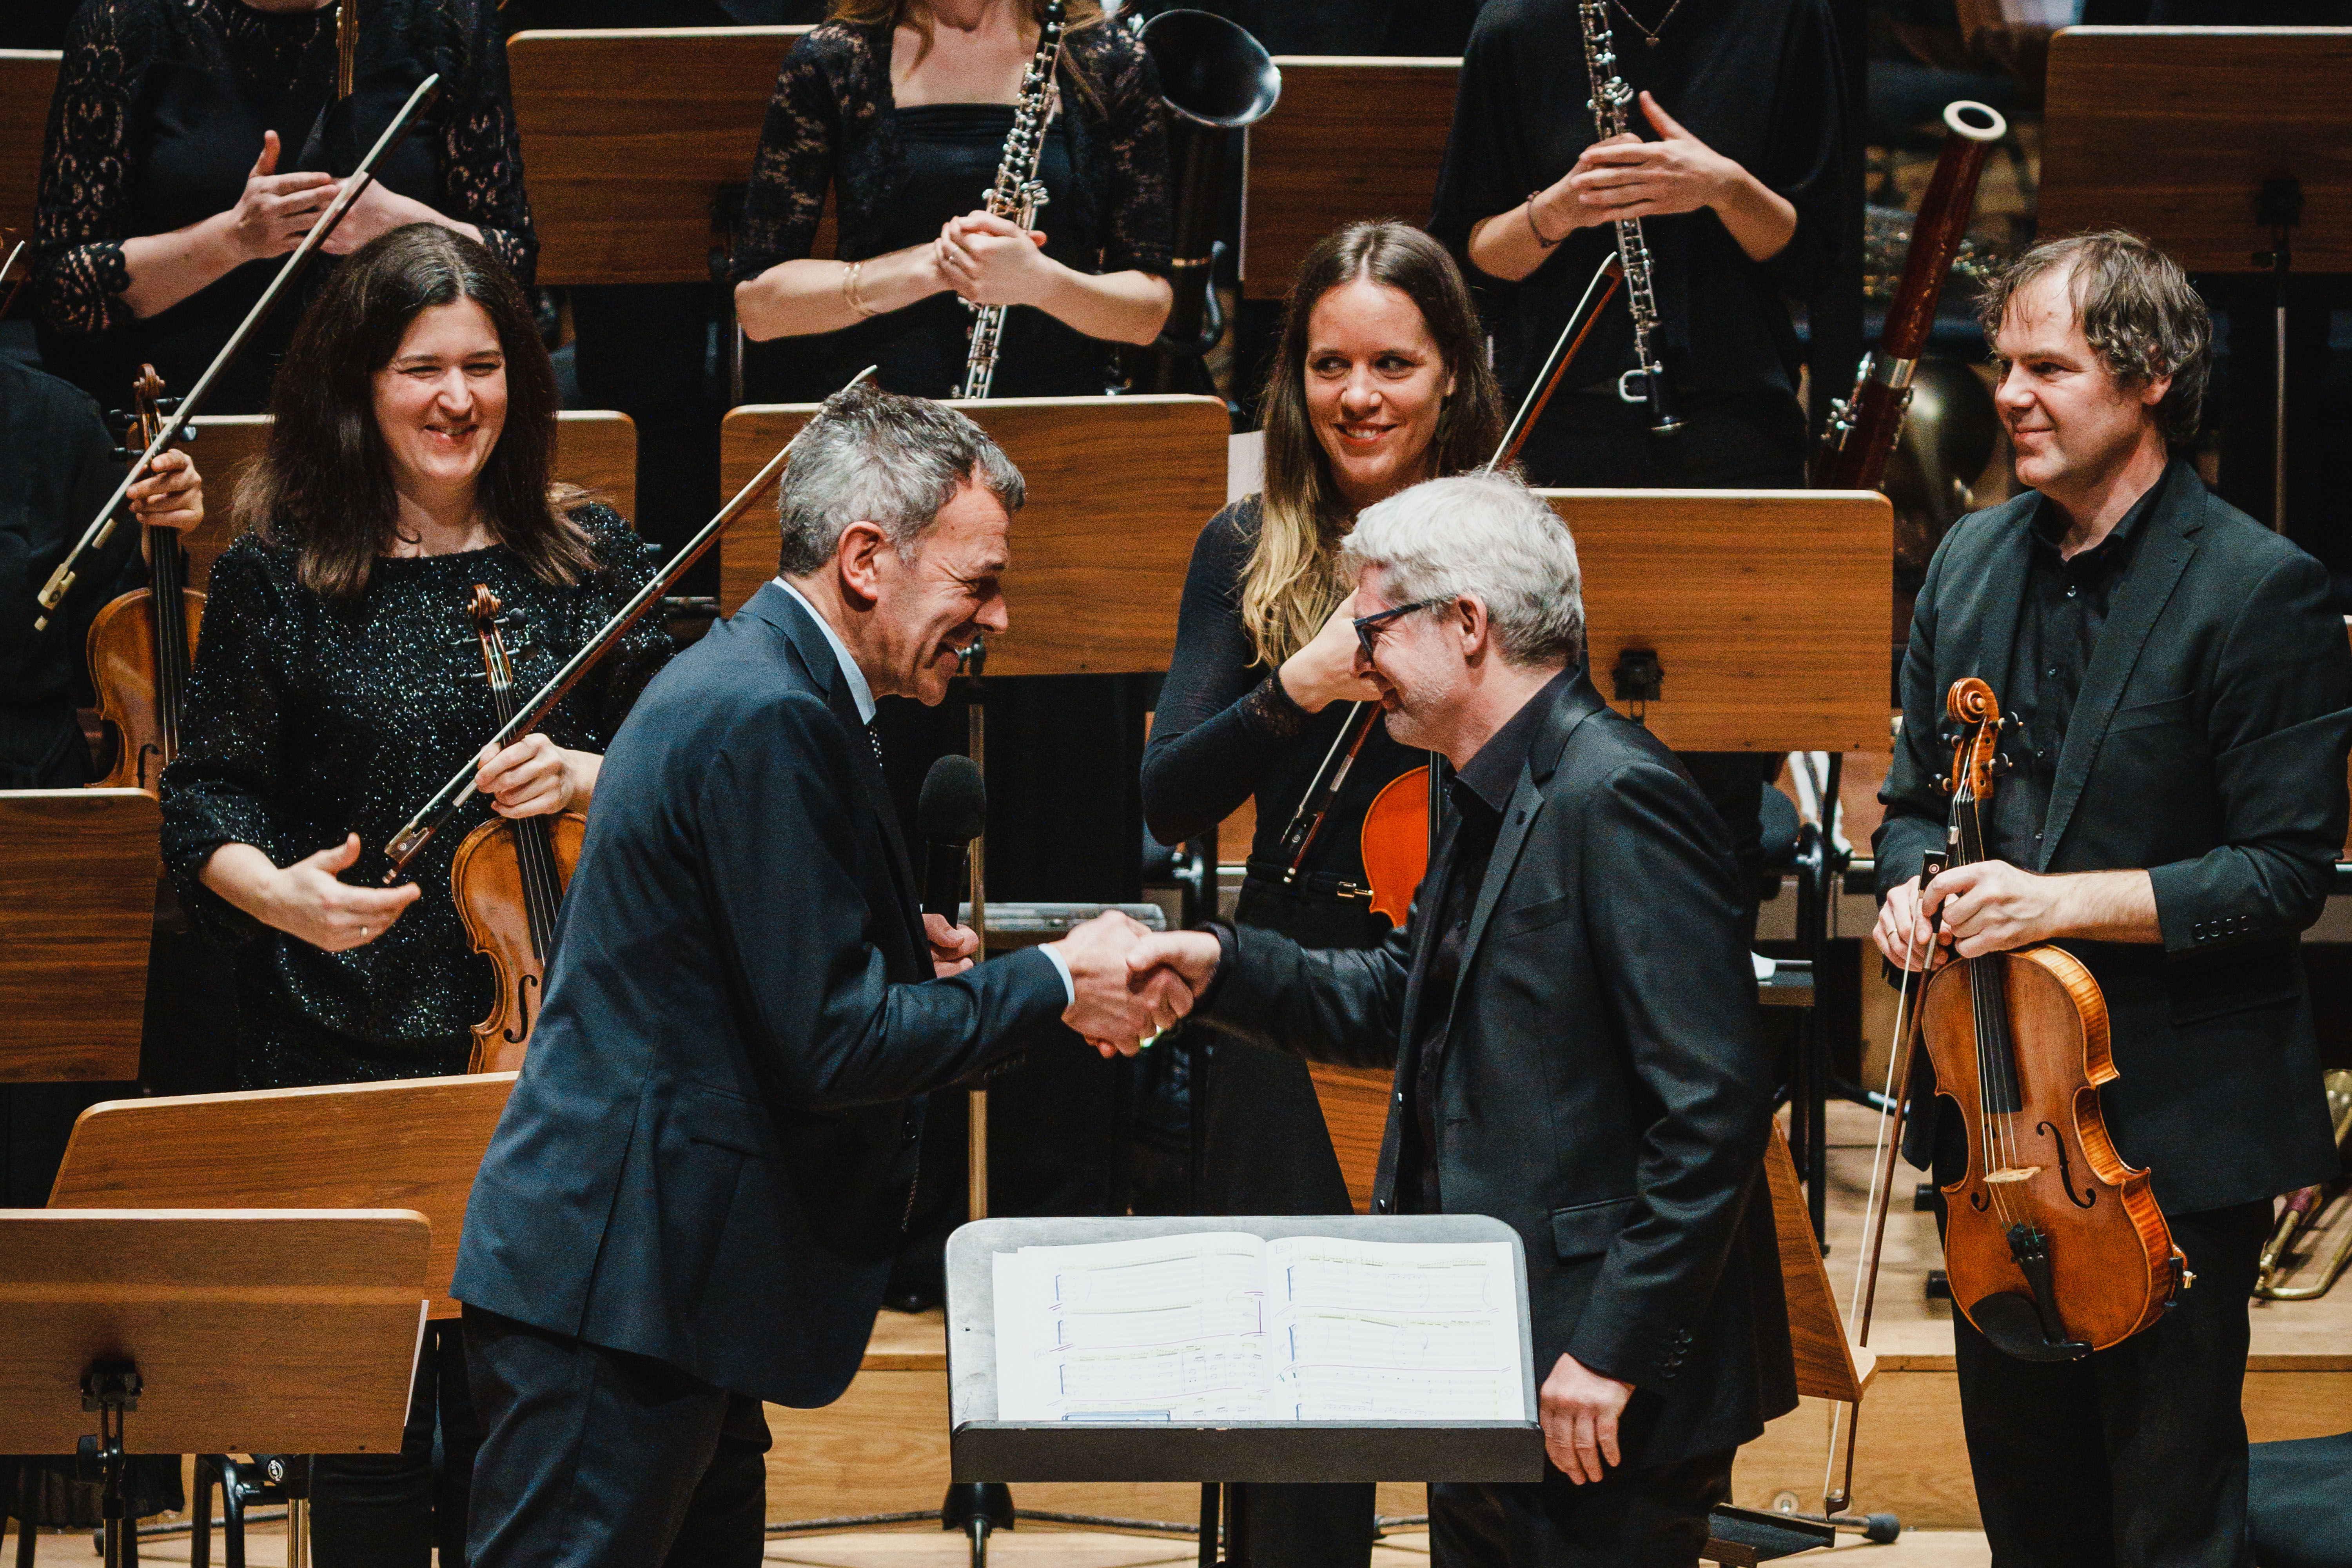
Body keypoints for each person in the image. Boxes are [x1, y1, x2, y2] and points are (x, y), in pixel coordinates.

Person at [451, 384, 1185, 1566]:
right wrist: (1050, 977)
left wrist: (924, 964)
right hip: (620, 1293)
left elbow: (760, 975)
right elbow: (832, 1042)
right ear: (863, 559)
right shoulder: (766, 713)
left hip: (675, 1294)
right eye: (977, 580)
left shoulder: (767, 684)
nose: (996, 614)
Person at [1127, 470, 1795, 1568]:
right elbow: (1398, 998)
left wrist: (1608, 1353)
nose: (1358, 658)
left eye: (1374, 624)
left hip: (1591, 1380)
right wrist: (1216, 962)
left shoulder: (1612, 793)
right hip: (1501, 1353)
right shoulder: (1489, 786)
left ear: (1469, 627)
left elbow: (1713, 1111)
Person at [159, 223, 670, 1568]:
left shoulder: (588, 558)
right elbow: (203, 795)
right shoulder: (288, 572)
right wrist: (281, 896)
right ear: (359, 388)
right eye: (422, 369)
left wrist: (591, 771)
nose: (458, 399)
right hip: (344, 1047)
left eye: (486, 367)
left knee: (531, 1451)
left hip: (550, 1068)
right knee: (369, 1453)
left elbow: (719, 760)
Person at [1872, 230, 2352, 1567]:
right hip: (1994, 1125)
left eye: (2049, 367)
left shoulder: (2262, 589)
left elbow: (2281, 874)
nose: (2012, 394)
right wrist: (1913, 887)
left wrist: (2051, 903)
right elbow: (1914, 799)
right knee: (2029, 1515)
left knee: (2165, 1517)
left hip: (2173, 1134)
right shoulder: (1969, 561)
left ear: (2148, 376)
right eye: (2003, 365)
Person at [1134, 218, 1502, 1568]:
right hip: (1289, 1004)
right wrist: (1299, 682)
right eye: (1332, 366)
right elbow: (1169, 794)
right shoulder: (1248, 546)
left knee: (1476, 1402)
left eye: (1395, 365)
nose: (1361, 397)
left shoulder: (1510, 547)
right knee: (1294, 1428)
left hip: (1469, 990)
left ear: (1452, 373)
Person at [0, 354, 207, 1544]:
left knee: (34, 1140)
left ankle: (46, 1452)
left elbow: (128, 635)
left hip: (31, 815)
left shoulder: (56, 423)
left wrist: (163, 535)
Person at [31, 0, 533, 414]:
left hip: (397, 412)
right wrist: (233, 239)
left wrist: (405, 229)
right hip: (186, 411)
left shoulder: (449, 18)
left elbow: (515, 271)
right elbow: (62, 291)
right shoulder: (125, 22)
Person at [731, 0, 1173, 402]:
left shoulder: (1110, 60)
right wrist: (929, 268)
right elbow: (760, 309)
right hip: (883, 434)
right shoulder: (834, 58)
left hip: (1057, 421)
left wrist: (1040, 282)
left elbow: (1147, 315)